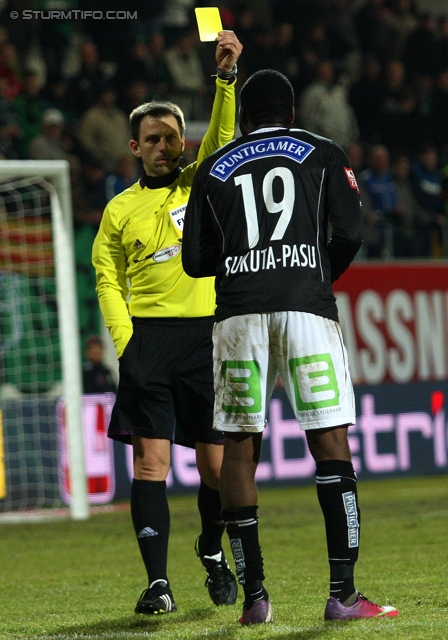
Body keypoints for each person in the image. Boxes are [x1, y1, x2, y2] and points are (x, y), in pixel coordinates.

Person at [182, 69, 399, 625]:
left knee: (239, 448)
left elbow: (195, 261)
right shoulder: (323, 152)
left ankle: (255, 600)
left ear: (246, 118)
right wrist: (315, 274)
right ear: (293, 114)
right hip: (306, 305)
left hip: (238, 315)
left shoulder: (212, 169)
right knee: (329, 440)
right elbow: (350, 232)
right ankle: (342, 596)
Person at [92, 30, 243, 616]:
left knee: (213, 466)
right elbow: (107, 278)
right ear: (135, 145)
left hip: (206, 336)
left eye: (172, 137)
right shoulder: (118, 209)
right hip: (148, 341)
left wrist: (225, 79)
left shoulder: (200, 182)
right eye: (153, 139)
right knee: (150, 463)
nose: (164, 146)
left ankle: (210, 548)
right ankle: (157, 583)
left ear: (184, 142)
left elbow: (225, 135)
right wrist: (125, 341)